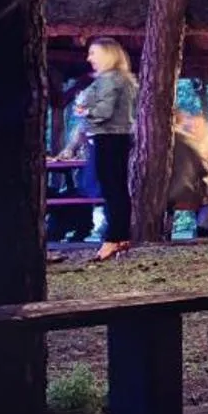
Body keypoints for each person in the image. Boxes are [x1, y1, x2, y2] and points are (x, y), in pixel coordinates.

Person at [55, 39, 137, 260]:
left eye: (93, 53)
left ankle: (113, 238)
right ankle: (119, 236)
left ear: (107, 55)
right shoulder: (121, 80)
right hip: (116, 137)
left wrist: (82, 109)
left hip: (108, 137)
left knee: (111, 188)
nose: (89, 58)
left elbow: (102, 111)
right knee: (116, 188)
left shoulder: (110, 80)